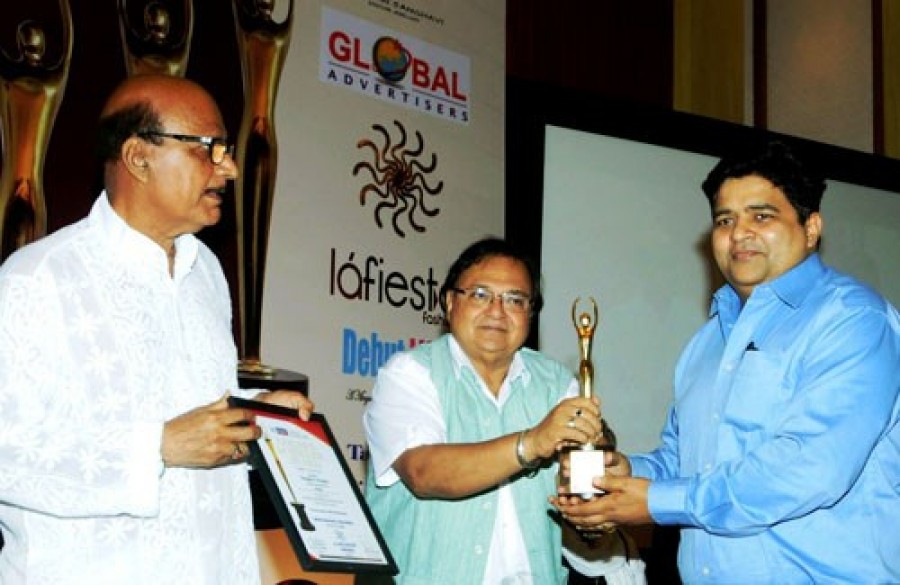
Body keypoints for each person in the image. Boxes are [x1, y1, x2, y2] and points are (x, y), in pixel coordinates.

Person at [0, 73, 313, 583]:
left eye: (228, 151)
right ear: (138, 157)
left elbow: (191, 412)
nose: (230, 168)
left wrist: (257, 414)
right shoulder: (38, 279)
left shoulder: (206, 273)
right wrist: (156, 448)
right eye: (209, 149)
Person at [552, 140, 900, 583]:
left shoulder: (853, 321)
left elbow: (809, 468)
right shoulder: (708, 341)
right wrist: (625, 473)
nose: (739, 234)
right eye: (725, 220)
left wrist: (655, 501)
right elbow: (683, 459)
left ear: (811, 228)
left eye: (762, 216)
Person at [363, 237, 646, 584]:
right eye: (480, 294)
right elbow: (423, 472)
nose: (497, 311)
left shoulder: (557, 383)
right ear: (450, 302)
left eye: (514, 299)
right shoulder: (410, 373)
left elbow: (578, 488)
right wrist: (531, 443)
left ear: (530, 313)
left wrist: (601, 480)